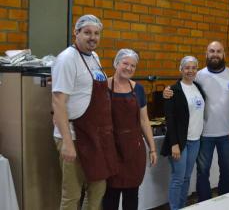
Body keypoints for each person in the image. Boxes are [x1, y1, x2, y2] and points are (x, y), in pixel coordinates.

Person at [164, 41, 229, 202]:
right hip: (203, 136)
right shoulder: (199, 75)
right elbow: (183, 87)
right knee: (202, 173)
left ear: (223, 54)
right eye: (212, 51)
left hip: (227, 135)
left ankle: (225, 204)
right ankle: (204, 204)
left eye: (219, 51)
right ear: (206, 54)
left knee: (227, 172)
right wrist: (168, 91)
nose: (215, 54)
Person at [52, 14, 119, 210]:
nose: (93, 37)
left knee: (98, 188)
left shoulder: (95, 57)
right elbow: (58, 101)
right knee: (72, 195)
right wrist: (66, 143)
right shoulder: (67, 59)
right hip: (73, 136)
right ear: (76, 33)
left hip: (94, 137)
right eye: (87, 32)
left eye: (97, 33)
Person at [102, 49, 158, 210]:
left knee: (132, 194)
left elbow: (144, 120)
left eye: (133, 66)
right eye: (125, 63)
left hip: (134, 149)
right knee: (110, 195)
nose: (129, 68)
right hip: (111, 149)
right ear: (116, 63)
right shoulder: (104, 86)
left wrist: (152, 148)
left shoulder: (138, 89)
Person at [161, 56, 206, 210]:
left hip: (195, 140)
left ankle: (182, 206)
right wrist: (174, 144)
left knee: (187, 177)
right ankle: (174, 207)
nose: (190, 71)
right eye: (187, 67)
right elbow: (170, 119)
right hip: (180, 142)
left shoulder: (198, 88)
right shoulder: (173, 90)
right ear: (181, 69)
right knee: (178, 178)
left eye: (194, 68)